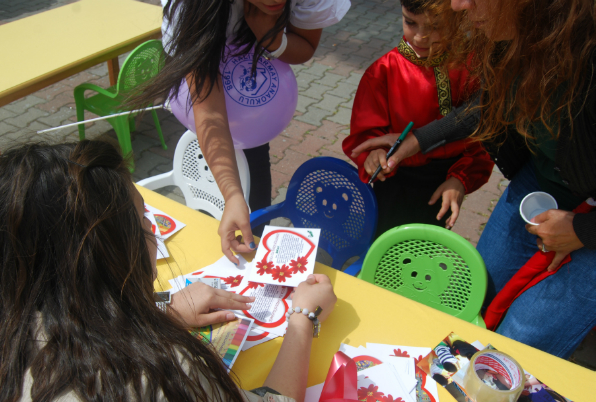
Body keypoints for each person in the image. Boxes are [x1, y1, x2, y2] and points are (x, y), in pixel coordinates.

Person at [0, 141, 337, 402]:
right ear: (106, 262)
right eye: (142, 226)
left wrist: (160, 307)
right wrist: (303, 317)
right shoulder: (155, 375)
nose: (153, 234)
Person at [349, 0, 596, 358]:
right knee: (473, 295)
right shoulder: (511, 36)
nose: (458, 5)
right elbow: (490, 102)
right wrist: (418, 141)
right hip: (541, 185)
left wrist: (583, 231)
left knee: (518, 341)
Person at [133, 0, 350, 264]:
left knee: (253, 189)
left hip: (251, 113)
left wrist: (272, 40)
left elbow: (305, 45)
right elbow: (209, 113)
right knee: (223, 192)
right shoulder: (189, 8)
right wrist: (232, 194)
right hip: (202, 81)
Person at [342, 0, 492, 236]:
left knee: (424, 254)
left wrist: (461, 180)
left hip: (442, 184)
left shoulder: (472, 66)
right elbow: (367, 134)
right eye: (410, 22)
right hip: (394, 182)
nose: (421, 36)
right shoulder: (383, 71)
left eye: (435, 26)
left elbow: (483, 132)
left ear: (459, 18)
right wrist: (374, 156)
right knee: (383, 248)